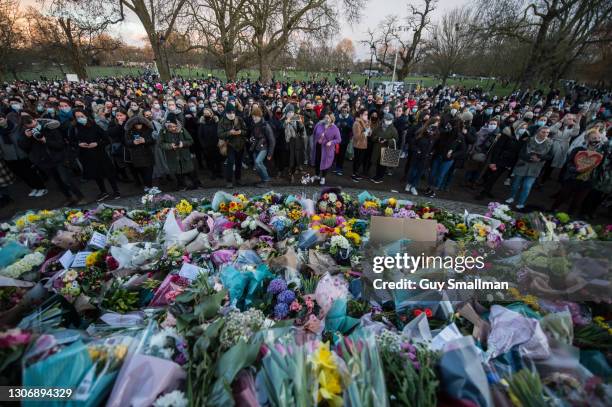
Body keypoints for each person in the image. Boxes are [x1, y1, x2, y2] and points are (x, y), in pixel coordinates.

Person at [19, 115, 86, 206]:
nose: (32, 127)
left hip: (58, 158)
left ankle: (80, 197)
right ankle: (69, 198)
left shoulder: (49, 127)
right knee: (58, 182)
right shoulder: (26, 132)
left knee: (66, 180)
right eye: (28, 126)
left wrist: (45, 140)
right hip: (45, 161)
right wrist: (26, 137)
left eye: (32, 124)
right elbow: (24, 147)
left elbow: (60, 144)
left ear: (35, 120)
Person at [550, 128, 603, 214]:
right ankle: (552, 211)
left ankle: (569, 218)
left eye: (598, 138)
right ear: (587, 139)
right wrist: (576, 169)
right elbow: (569, 163)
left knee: (577, 202)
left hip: (587, 181)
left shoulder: (601, 153)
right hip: (572, 178)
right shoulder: (578, 150)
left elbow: (601, 169)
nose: (596, 140)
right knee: (563, 196)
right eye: (594, 138)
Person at [72, 109, 120, 201]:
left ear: (86, 116)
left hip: (100, 154)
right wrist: (79, 144)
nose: (80, 118)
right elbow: (71, 142)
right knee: (96, 175)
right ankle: (103, 192)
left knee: (108, 173)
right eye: (77, 117)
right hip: (86, 155)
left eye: (82, 116)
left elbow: (106, 140)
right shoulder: (75, 128)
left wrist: (97, 144)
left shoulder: (95, 126)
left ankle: (116, 191)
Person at [476, 121, 529, 200]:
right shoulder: (507, 134)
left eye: (525, 128)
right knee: (492, 176)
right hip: (500, 158)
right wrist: (493, 161)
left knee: (496, 177)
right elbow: (498, 148)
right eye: (522, 128)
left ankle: (487, 190)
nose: (523, 130)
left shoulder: (523, 137)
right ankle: (483, 192)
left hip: (509, 160)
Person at [506, 126, 553, 210]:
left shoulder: (550, 142)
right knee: (516, 182)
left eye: (547, 133)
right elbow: (520, 152)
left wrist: (540, 158)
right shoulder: (528, 139)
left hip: (536, 167)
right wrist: (529, 158)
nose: (545, 134)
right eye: (543, 132)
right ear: (538, 132)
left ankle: (521, 203)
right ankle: (511, 197)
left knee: (527, 186)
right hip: (523, 163)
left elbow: (550, 156)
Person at [0, 113, 47, 197]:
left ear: (5, 119)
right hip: (9, 157)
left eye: (1, 119)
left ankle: (41, 188)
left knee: (31, 173)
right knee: (22, 174)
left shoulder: (17, 127)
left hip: (23, 155)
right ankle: (34, 188)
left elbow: (25, 139)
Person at [160, 114, 200, 190]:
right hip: (172, 156)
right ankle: (181, 186)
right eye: (170, 127)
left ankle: (196, 185)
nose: (173, 128)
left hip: (184, 154)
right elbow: (160, 144)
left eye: (174, 126)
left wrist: (183, 144)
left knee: (190, 170)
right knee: (177, 172)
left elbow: (190, 140)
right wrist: (170, 145)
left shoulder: (182, 130)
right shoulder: (163, 132)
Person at [427, 121, 466, 196]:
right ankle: (429, 187)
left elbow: (462, 150)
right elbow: (436, 143)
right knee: (432, 173)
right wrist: (432, 151)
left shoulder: (460, 137)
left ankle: (434, 190)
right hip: (438, 156)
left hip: (448, 160)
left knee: (440, 175)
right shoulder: (443, 134)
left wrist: (453, 155)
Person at [405, 120, 439, 196]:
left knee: (419, 173)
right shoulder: (421, 132)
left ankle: (414, 186)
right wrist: (417, 150)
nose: (435, 127)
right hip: (417, 156)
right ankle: (409, 183)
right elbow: (413, 143)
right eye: (434, 124)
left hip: (426, 158)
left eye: (436, 125)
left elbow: (435, 146)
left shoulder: (435, 135)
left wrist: (432, 152)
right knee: (413, 171)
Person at [218, 104, 247, 187]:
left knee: (239, 163)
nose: (231, 114)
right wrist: (229, 132)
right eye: (229, 112)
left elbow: (246, 131)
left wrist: (240, 132)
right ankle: (229, 181)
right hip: (230, 145)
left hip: (240, 145)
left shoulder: (239, 119)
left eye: (233, 112)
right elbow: (219, 134)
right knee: (230, 163)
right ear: (226, 113)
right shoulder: (222, 121)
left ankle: (238, 179)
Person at [124, 115, 156, 191]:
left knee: (149, 171)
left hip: (148, 153)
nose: (138, 126)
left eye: (140, 124)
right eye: (137, 124)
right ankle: (147, 186)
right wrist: (133, 142)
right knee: (142, 172)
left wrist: (145, 141)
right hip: (136, 155)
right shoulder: (129, 131)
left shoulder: (149, 130)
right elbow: (126, 142)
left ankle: (149, 186)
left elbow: (153, 140)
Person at [248, 106, 275, 186]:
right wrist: (251, 139)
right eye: (253, 116)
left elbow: (272, 140)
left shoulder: (265, 125)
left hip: (264, 147)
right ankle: (263, 180)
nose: (254, 118)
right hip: (255, 146)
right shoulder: (253, 124)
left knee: (258, 162)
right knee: (257, 165)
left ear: (260, 116)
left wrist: (270, 154)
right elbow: (252, 135)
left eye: (256, 116)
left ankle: (266, 180)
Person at [312, 112, 341, 185]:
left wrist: (331, 142)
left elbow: (339, 139)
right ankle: (317, 175)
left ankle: (323, 177)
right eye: (325, 117)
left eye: (328, 118)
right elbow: (314, 133)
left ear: (331, 119)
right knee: (317, 161)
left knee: (325, 162)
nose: (326, 119)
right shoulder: (319, 124)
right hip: (318, 147)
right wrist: (316, 140)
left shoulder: (335, 128)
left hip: (327, 149)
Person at [370, 112, 398, 184]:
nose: (388, 121)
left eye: (390, 120)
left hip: (386, 149)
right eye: (386, 119)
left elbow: (396, 140)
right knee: (378, 163)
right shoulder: (378, 127)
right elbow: (373, 136)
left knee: (383, 164)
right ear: (384, 119)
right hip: (378, 148)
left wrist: (387, 141)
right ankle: (376, 175)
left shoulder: (393, 129)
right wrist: (377, 138)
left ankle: (380, 177)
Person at [198, 108, 222, 179]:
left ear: (211, 114)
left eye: (208, 113)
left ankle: (219, 173)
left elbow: (220, 132)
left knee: (218, 160)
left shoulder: (216, 122)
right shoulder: (202, 124)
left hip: (217, 144)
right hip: (207, 146)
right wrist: (203, 145)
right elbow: (200, 135)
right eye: (205, 114)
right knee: (209, 161)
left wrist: (219, 142)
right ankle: (212, 173)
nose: (206, 115)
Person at [283, 104, 306, 182]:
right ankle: (290, 174)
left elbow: (302, 130)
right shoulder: (284, 120)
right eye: (289, 112)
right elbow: (280, 130)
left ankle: (294, 170)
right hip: (288, 142)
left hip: (296, 142)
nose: (290, 114)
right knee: (289, 159)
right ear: (286, 113)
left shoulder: (296, 120)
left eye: (292, 112)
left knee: (296, 157)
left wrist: (300, 123)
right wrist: (286, 123)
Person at [334, 104, 353, 175]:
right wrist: (337, 125)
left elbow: (352, 129)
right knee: (337, 153)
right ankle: (336, 167)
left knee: (342, 154)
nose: (344, 111)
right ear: (341, 110)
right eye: (343, 110)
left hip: (345, 139)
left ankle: (340, 168)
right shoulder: (337, 117)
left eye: (345, 110)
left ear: (347, 110)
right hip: (337, 139)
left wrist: (347, 126)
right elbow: (333, 125)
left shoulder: (350, 118)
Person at [351, 108, 369, 182]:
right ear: (361, 115)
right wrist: (365, 133)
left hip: (363, 145)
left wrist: (368, 131)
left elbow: (368, 133)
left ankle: (356, 173)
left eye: (367, 114)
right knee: (357, 160)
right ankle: (354, 174)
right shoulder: (357, 123)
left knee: (360, 160)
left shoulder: (365, 122)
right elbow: (356, 136)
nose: (366, 116)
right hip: (358, 145)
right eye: (365, 114)